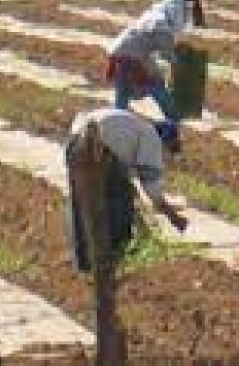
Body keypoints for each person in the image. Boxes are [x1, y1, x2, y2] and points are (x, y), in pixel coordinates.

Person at [65, 108, 188, 272]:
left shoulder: (135, 126)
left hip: (75, 142)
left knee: (81, 203)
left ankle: (84, 263)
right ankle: (115, 253)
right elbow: (151, 184)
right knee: (120, 203)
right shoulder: (151, 137)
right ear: (165, 141)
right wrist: (172, 215)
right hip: (99, 148)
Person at [106, 0, 204, 121]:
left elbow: (156, 47)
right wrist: (180, 64)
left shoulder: (158, 12)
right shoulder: (165, 20)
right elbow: (165, 50)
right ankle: (173, 116)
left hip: (120, 50)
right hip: (134, 56)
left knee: (124, 89)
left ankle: (116, 119)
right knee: (156, 85)